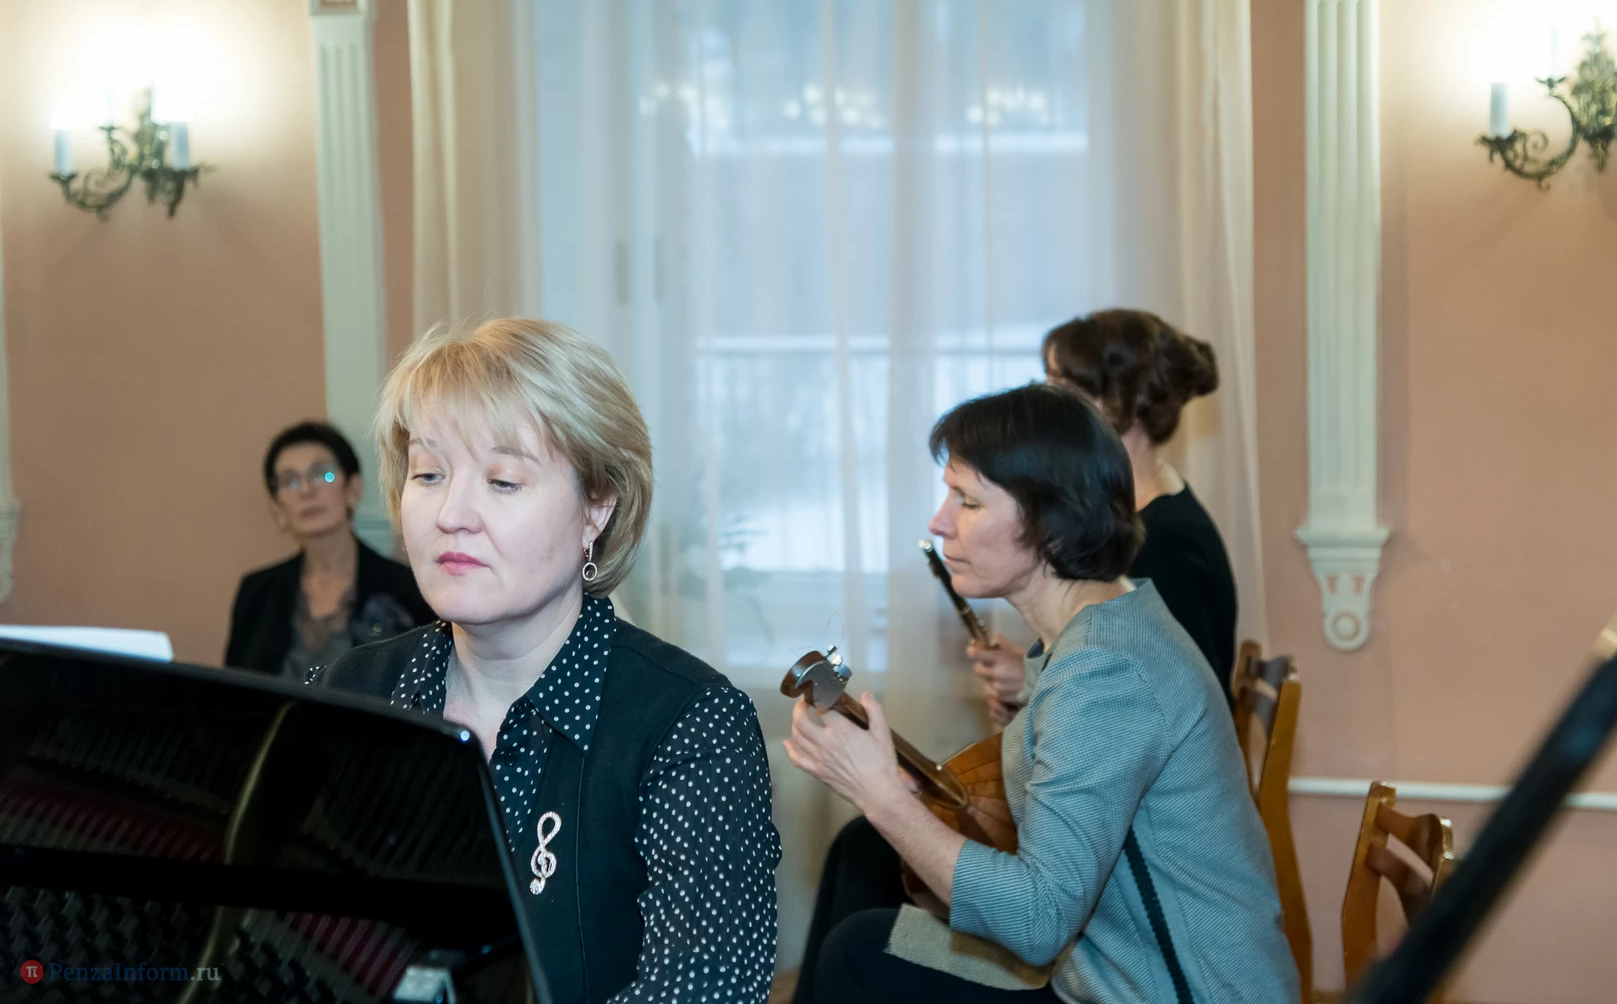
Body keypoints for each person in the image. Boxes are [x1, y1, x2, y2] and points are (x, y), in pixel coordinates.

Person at [309, 318, 781, 1004]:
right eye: (429, 474)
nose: (451, 514)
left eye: (502, 481)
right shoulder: (348, 691)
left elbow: (702, 989)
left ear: (596, 508)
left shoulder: (689, 724)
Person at [785, 384, 1296, 1004]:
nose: (939, 522)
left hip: (1159, 991)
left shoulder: (1107, 672)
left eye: (968, 501)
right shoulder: (1107, 627)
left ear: (1050, 523)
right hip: (1096, 965)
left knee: (861, 952)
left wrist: (883, 796)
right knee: (866, 922)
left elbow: (1036, 919)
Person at [971, 310, 1239, 722]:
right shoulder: (1134, 516)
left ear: (1127, 402)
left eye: (1062, 386)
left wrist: (1033, 684)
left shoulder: (1167, 540)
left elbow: (1168, 701)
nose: (1048, 401)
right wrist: (1033, 679)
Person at [226, 421, 435, 681]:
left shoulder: (408, 588)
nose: (306, 490)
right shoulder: (257, 592)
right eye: (290, 481)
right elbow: (233, 693)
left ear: (352, 489)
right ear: (277, 508)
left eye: (322, 475)